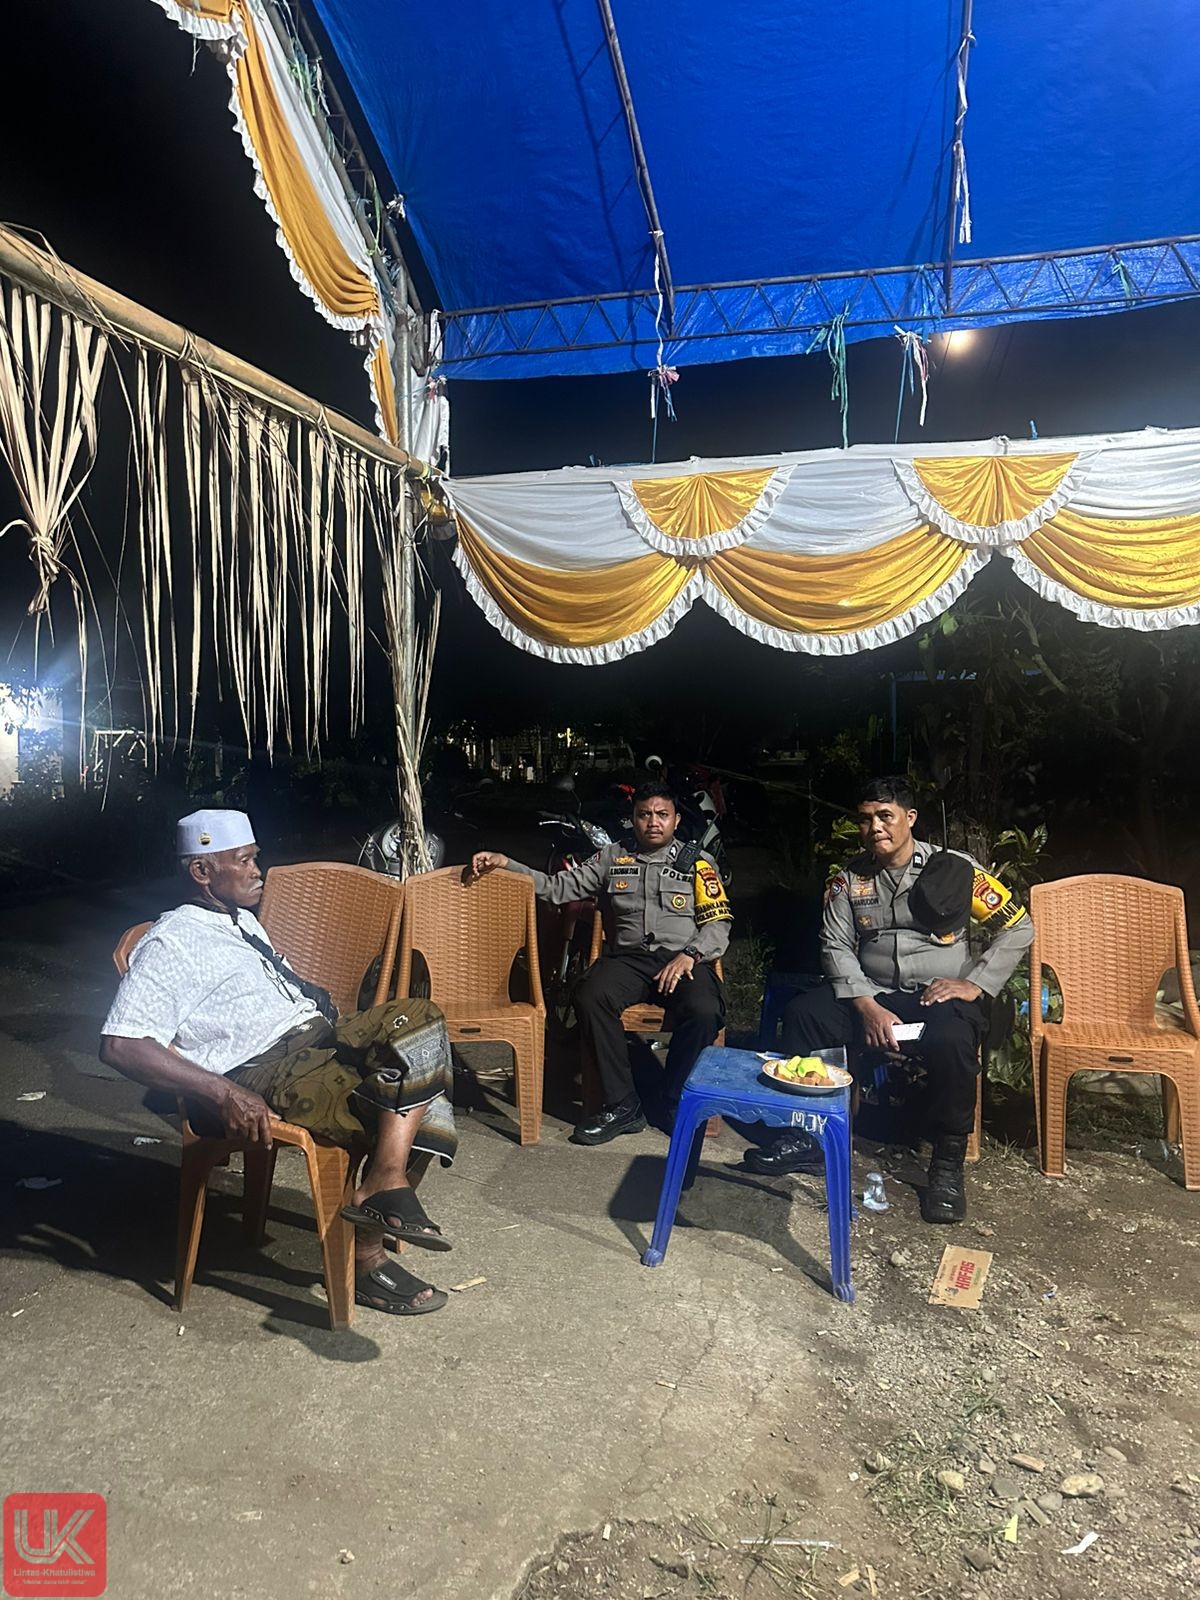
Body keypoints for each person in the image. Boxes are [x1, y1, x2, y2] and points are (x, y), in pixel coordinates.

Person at [100, 809, 457, 1317]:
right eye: (244, 861)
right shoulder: (172, 941)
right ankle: (366, 1256)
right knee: (423, 1101)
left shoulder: (241, 921)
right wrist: (223, 1092)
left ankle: (383, 1180)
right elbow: (121, 1044)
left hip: (316, 1042)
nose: (257, 871)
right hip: (264, 1069)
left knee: (421, 1024)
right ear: (202, 871)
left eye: (255, 858)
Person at [743, 777, 1032, 1224]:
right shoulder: (850, 879)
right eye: (866, 819)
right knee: (806, 1015)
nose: (875, 827)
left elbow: (1018, 926)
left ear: (909, 818)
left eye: (885, 816)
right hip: (873, 991)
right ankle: (809, 1137)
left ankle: (947, 1164)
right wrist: (866, 1004)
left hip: (937, 996)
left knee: (953, 1040)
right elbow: (835, 945)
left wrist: (976, 983)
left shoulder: (954, 870)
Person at [467, 782, 731, 1144]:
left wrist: (692, 954)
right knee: (590, 995)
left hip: (682, 959)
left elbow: (718, 922)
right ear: (633, 819)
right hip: (628, 960)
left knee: (704, 1010)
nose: (653, 822)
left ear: (676, 820)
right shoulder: (612, 857)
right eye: (644, 814)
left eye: (662, 814)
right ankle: (622, 1104)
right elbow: (557, 888)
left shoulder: (697, 863)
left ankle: (674, 1100)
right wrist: (505, 863)